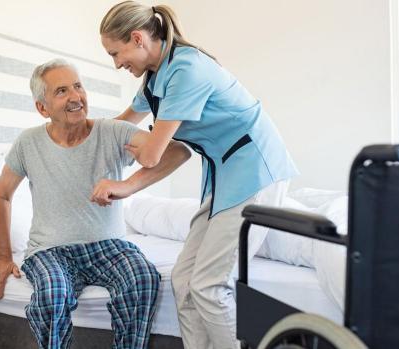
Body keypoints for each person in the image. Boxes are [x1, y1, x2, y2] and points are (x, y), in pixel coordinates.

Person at [100, 2, 299, 348]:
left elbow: (152, 154)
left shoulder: (186, 69)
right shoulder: (155, 76)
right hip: (225, 175)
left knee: (209, 285)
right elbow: (123, 122)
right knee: (182, 280)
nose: (117, 64)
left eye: (116, 53)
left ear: (137, 39)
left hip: (255, 170)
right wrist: (78, 136)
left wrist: (126, 177)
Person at [0, 58, 191, 349]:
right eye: (61, 91)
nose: (75, 97)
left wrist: (127, 186)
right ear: (42, 108)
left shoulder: (113, 131)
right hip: (49, 250)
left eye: (78, 87)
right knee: (53, 295)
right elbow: (1, 194)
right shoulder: (28, 143)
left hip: (108, 246)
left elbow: (177, 152)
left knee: (142, 278)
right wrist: (3, 256)